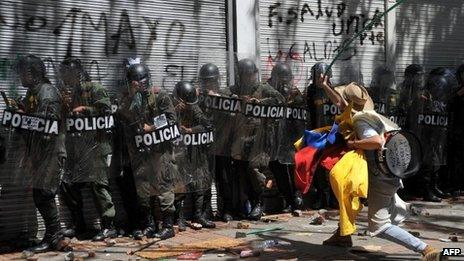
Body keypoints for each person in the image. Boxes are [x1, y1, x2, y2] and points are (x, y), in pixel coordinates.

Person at [317, 75, 444, 261]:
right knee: (350, 196)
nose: (341, 103)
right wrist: (325, 86)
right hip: (389, 171)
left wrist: (354, 144)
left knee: (379, 226)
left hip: (381, 178)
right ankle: (343, 236)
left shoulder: (360, 121)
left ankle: (426, 249)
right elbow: (341, 103)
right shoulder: (367, 114)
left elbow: (377, 141)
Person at [116, 61, 178, 240]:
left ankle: (167, 225)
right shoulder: (129, 99)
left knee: (164, 185)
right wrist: (131, 97)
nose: (135, 85)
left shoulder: (159, 96)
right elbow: (122, 116)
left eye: (137, 82)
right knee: (144, 188)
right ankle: (150, 224)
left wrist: (150, 127)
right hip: (141, 151)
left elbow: (171, 119)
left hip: (160, 149)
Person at [58, 58, 117, 241]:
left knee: (98, 185)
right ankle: (79, 224)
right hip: (77, 147)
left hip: (97, 146)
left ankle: (109, 225)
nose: (64, 77)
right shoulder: (68, 92)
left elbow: (107, 111)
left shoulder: (95, 88)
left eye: (66, 73)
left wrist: (85, 109)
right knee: (67, 183)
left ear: (76, 73)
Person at [14, 55, 67, 253]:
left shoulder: (47, 92)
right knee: (40, 193)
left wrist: (23, 118)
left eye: (23, 73)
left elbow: (48, 125)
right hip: (39, 152)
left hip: (51, 151)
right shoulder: (32, 93)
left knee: (44, 193)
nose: (20, 77)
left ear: (33, 74)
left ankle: (56, 236)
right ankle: (53, 236)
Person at [230, 58, 284, 220]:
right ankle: (242, 205)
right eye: (244, 75)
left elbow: (279, 100)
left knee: (255, 170)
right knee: (240, 172)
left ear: (255, 74)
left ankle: (259, 203)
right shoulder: (236, 89)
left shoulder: (264, 89)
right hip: (240, 139)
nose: (248, 78)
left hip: (260, 139)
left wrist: (259, 102)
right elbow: (222, 97)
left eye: (250, 75)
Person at [172, 81, 216, 230]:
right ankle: (179, 218)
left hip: (195, 152)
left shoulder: (194, 107)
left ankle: (199, 215)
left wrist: (191, 131)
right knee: (179, 186)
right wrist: (175, 113)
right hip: (178, 152)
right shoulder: (169, 107)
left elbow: (206, 125)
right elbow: (161, 126)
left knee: (199, 183)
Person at [197, 63, 236, 222]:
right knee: (206, 178)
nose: (208, 84)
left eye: (211, 81)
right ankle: (206, 210)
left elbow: (234, 113)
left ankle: (226, 209)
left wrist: (217, 100)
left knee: (224, 178)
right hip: (205, 145)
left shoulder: (226, 94)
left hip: (223, 144)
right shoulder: (200, 97)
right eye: (205, 81)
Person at [411, 68, 455, 202]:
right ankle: (426, 190)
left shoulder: (442, 99)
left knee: (436, 163)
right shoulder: (424, 96)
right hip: (426, 136)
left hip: (438, 135)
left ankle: (434, 186)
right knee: (427, 164)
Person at [267, 63, 304, 213]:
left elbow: (301, 116)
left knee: (293, 170)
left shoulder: (296, 95)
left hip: (290, 139)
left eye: (286, 80)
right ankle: (288, 199)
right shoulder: (269, 93)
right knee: (279, 171)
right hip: (275, 140)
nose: (283, 83)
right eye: (280, 80)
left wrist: (295, 99)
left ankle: (296, 198)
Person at [305, 62, 337, 209]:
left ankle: (333, 196)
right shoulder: (310, 91)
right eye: (317, 75)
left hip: (332, 134)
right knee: (317, 168)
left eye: (322, 75)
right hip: (316, 134)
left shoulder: (334, 91)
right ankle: (321, 195)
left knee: (331, 166)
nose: (320, 78)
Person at [448, 64, 464, 197]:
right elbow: (448, 105)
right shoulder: (455, 90)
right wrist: (458, 95)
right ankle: (456, 185)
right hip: (458, 129)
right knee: (457, 159)